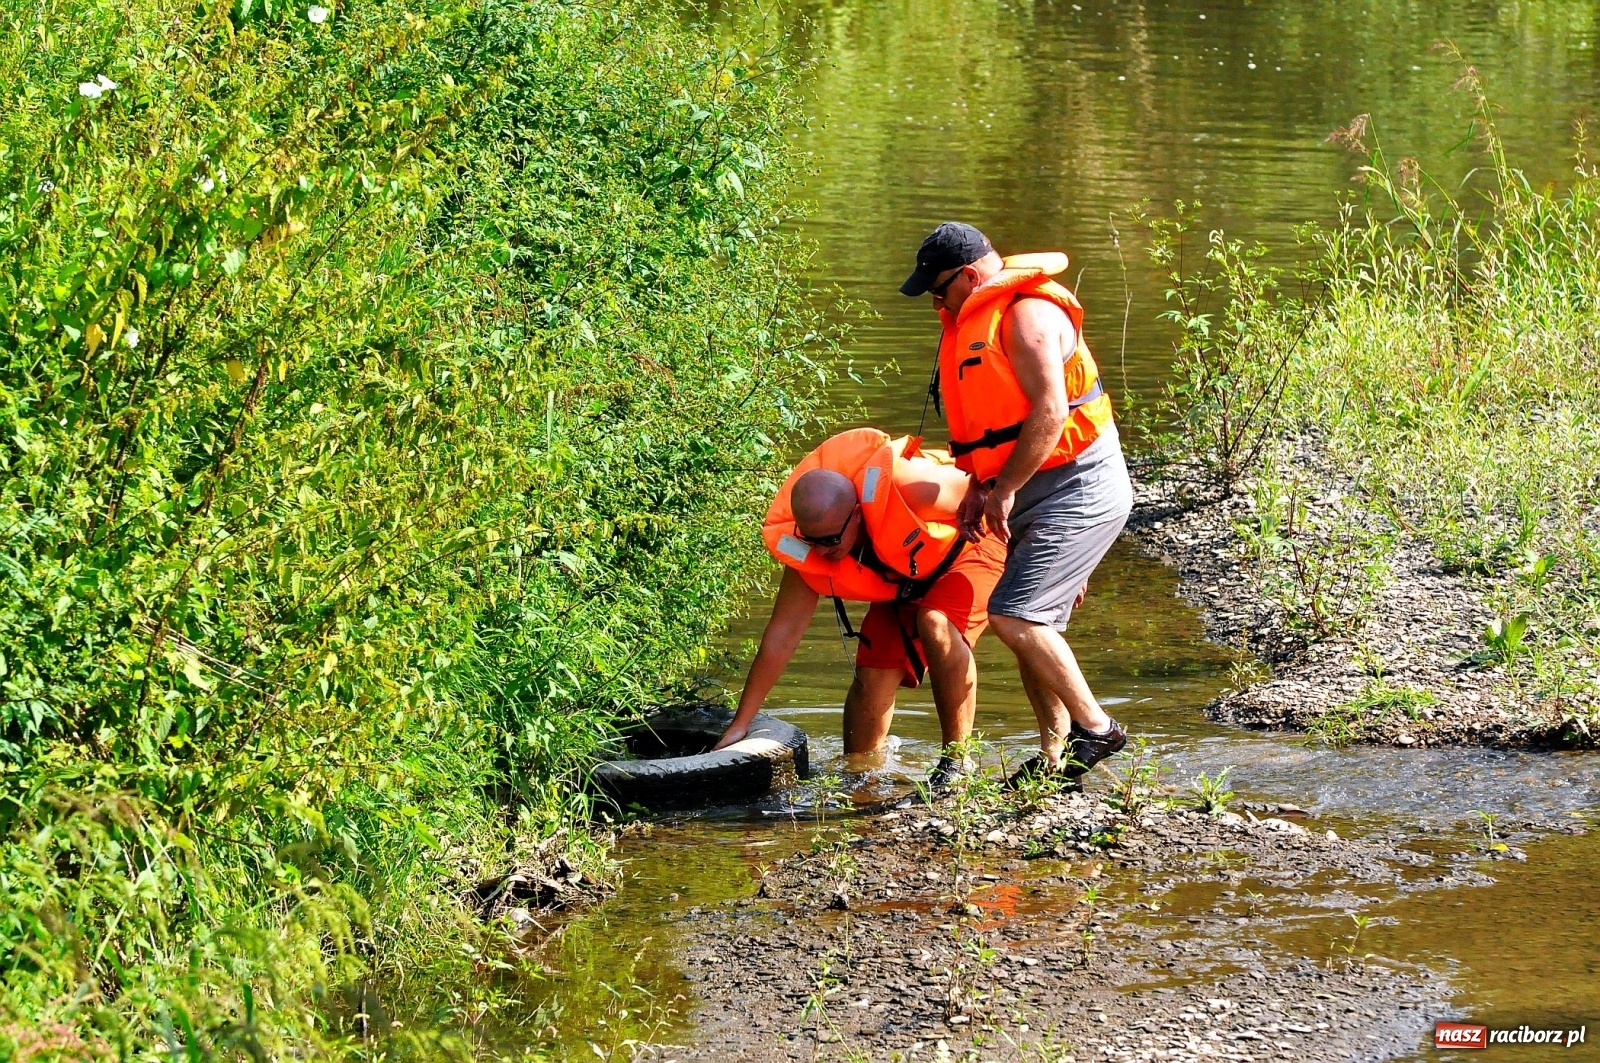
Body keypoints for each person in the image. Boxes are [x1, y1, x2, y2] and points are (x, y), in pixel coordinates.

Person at [899, 222, 1134, 786]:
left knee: (1015, 614)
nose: (936, 300)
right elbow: (992, 426)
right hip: (1025, 488)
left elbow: (1052, 413)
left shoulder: (1027, 314)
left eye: (940, 288)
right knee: (1033, 620)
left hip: (1077, 483)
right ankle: (1055, 763)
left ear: (972, 275)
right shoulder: (972, 323)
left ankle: (1098, 729)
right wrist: (983, 487)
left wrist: (1003, 490)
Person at [712, 428, 1009, 789]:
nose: (822, 552)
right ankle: (860, 778)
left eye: (832, 540)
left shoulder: (913, 488)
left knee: (935, 622)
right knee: (873, 673)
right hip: (909, 574)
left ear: (856, 513)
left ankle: (956, 764)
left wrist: (1060, 565)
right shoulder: (808, 549)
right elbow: (781, 636)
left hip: (976, 544)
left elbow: (1002, 499)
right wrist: (742, 723)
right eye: (812, 541)